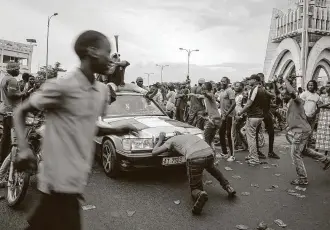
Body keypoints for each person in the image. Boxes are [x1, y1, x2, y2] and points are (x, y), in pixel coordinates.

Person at [12, 30, 138, 230]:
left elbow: (88, 127)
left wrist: (117, 129)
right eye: (108, 52)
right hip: (56, 186)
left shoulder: (100, 91)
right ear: (92, 51)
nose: (111, 58)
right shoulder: (63, 86)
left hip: (75, 185)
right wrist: (24, 148)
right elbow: (19, 112)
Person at [152, 132, 236, 215]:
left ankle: (200, 193)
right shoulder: (190, 135)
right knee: (213, 169)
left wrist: (160, 140)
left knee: (195, 188)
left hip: (194, 157)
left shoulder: (171, 140)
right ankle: (228, 187)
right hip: (209, 153)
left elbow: (154, 152)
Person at [281, 76, 330, 185]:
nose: (282, 95)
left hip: (301, 130)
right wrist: (289, 126)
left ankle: (302, 178)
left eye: (284, 93)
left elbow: (292, 91)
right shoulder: (291, 102)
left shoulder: (298, 100)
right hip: (302, 128)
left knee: (295, 153)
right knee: (304, 150)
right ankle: (326, 159)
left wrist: (285, 80)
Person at [237, 75, 266, 165]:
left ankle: (254, 158)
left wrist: (240, 112)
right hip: (259, 115)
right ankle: (251, 155)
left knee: (251, 138)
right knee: (249, 136)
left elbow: (249, 103)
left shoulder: (255, 89)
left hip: (254, 116)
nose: (249, 81)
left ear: (255, 80)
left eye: (251, 79)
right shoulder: (262, 89)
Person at [0, 61, 25, 164]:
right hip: (12, 111)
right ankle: (10, 161)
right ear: (13, 69)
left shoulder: (4, 79)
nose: (19, 71)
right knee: (14, 138)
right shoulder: (12, 80)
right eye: (18, 69)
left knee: (6, 137)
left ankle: (2, 158)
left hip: (6, 111)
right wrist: (23, 93)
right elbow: (12, 95)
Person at [256, 74, 280, 160]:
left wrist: (274, 83)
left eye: (261, 77)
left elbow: (275, 95)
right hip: (258, 112)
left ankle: (270, 151)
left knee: (271, 132)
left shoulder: (267, 86)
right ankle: (257, 151)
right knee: (256, 132)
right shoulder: (255, 88)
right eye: (258, 78)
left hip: (266, 112)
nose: (260, 79)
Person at [218, 77, 236, 159]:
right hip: (223, 115)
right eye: (221, 81)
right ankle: (224, 152)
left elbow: (233, 104)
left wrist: (226, 114)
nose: (222, 83)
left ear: (227, 82)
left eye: (224, 81)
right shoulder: (222, 91)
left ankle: (232, 155)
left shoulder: (229, 91)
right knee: (221, 133)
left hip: (229, 116)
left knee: (229, 134)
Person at [315, 81, 330, 155]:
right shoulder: (322, 96)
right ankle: (316, 152)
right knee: (320, 134)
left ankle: (326, 154)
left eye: (329, 86)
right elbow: (319, 106)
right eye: (327, 86)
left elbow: (321, 105)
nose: (328, 88)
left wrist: (324, 105)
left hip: (329, 118)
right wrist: (328, 104)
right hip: (322, 117)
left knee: (328, 135)